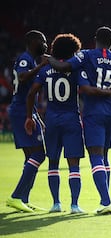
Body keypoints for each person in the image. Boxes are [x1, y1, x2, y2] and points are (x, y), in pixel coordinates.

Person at [25, 33, 111, 214]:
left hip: (51, 121)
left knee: (53, 163)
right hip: (71, 121)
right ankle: (74, 205)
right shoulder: (76, 70)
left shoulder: (44, 70)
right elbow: (84, 88)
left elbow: (31, 93)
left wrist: (30, 116)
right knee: (73, 165)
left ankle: (56, 203)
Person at [48, 26, 111, 215]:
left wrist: (48, 58)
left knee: (96, 155)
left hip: (94, 111)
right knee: (105, 156)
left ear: (95, 39)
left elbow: (63, 67)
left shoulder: (85, 55)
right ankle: (105, 200)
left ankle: (106, 201)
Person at [6, 30, 48, 213]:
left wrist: (36, 115)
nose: (45, 45)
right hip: (22, 112)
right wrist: (41, 65)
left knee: (30, 157)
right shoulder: (25, 58)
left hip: (25, 111)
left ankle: (23, 199)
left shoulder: (30, 60)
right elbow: (23, 77)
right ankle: (15, 197)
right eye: (43, 41)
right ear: (33, 41)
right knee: (39, 155)